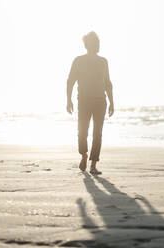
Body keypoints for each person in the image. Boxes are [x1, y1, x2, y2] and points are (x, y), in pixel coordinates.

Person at [66, 31, 114, 175]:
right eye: (92, 43)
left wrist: (112, 102)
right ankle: (84, 155)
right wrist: (68, 100)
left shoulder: (103, 61)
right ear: (87, 45)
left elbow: (108, 83)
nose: (95, 45)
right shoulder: (78, 61)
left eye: (96, 43)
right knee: (82, 132)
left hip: (100, 101)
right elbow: (70, 81)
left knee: (97, 133)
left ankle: (93, 164)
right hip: (84, 101)